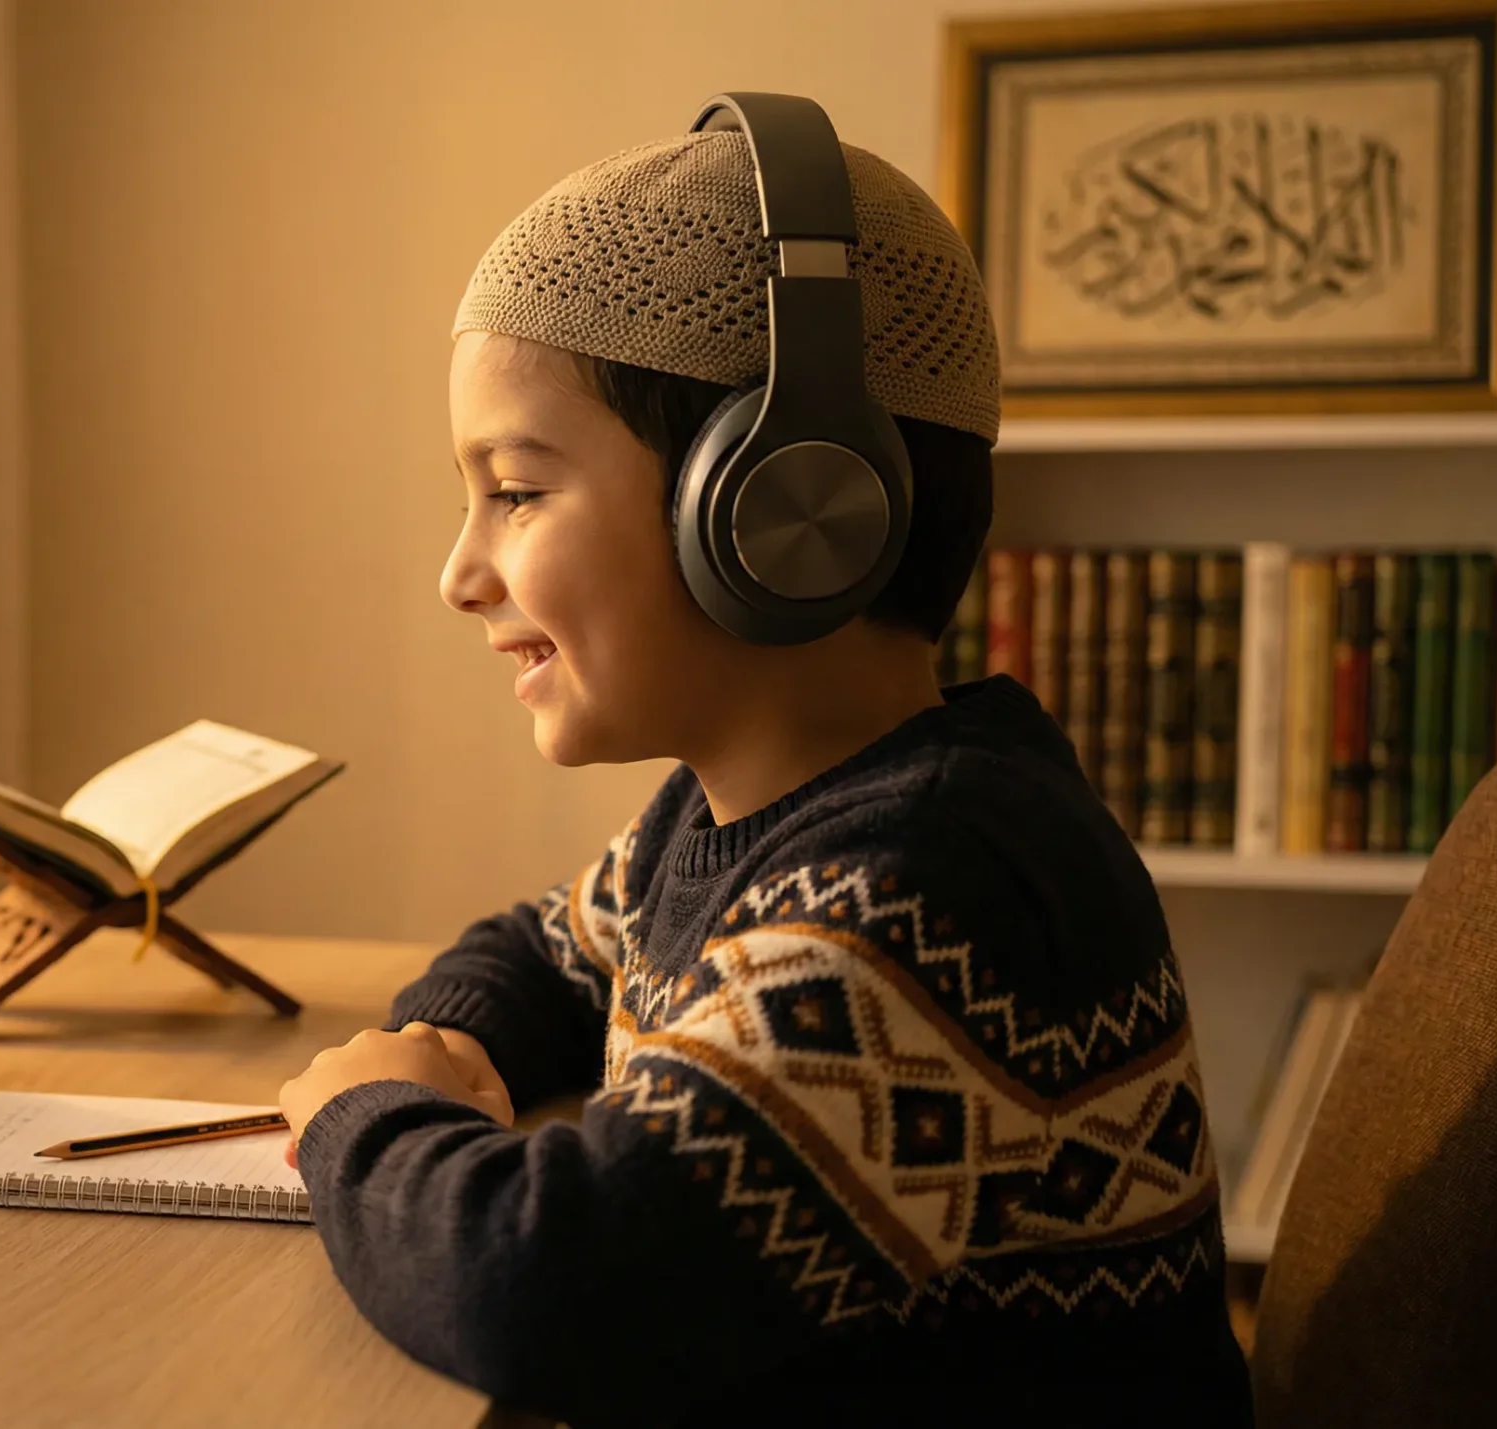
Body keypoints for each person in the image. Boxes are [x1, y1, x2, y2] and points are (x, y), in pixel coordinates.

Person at [274, 118, 1251, 1425]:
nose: (460, 575)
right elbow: (545, 949)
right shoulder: (739, 816)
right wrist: (449, 1042)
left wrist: (372, 1112)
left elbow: (545, 1288)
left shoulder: (929, 888)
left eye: (514, 490)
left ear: (776, 510)